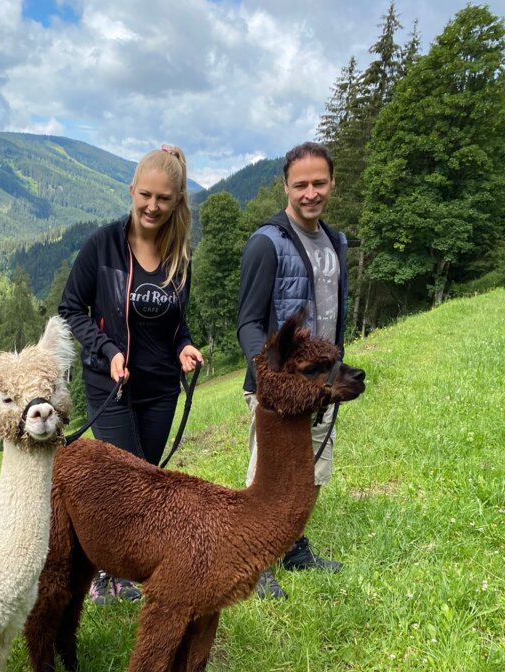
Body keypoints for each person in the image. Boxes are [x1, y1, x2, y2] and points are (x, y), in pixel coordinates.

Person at [59, 144, 203, 604]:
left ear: (177, 201)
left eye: (163, 199)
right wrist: (107, 351)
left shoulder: (180, 255)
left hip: (161, 388)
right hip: (111, 386)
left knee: (146, 479)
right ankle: (104, 572)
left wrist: (184, 346)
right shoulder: (102, 246)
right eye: (145, 195)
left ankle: (126, 566)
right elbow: (70, 310)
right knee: (127, 485)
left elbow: (175, 323)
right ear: (131, 190)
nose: (152, 207)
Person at [237, 141, 349, 600]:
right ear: (285, 186)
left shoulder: (337, 242)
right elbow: (247, 321)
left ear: (331, 184)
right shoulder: (267, 243)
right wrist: (271, 380)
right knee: (269, 471)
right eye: (300, 184)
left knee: (312, 470)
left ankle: (293, 547)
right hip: (278, 389)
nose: (310, 193)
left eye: (318, 183)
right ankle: (255, 558)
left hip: (322, 384)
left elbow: (334, 314)